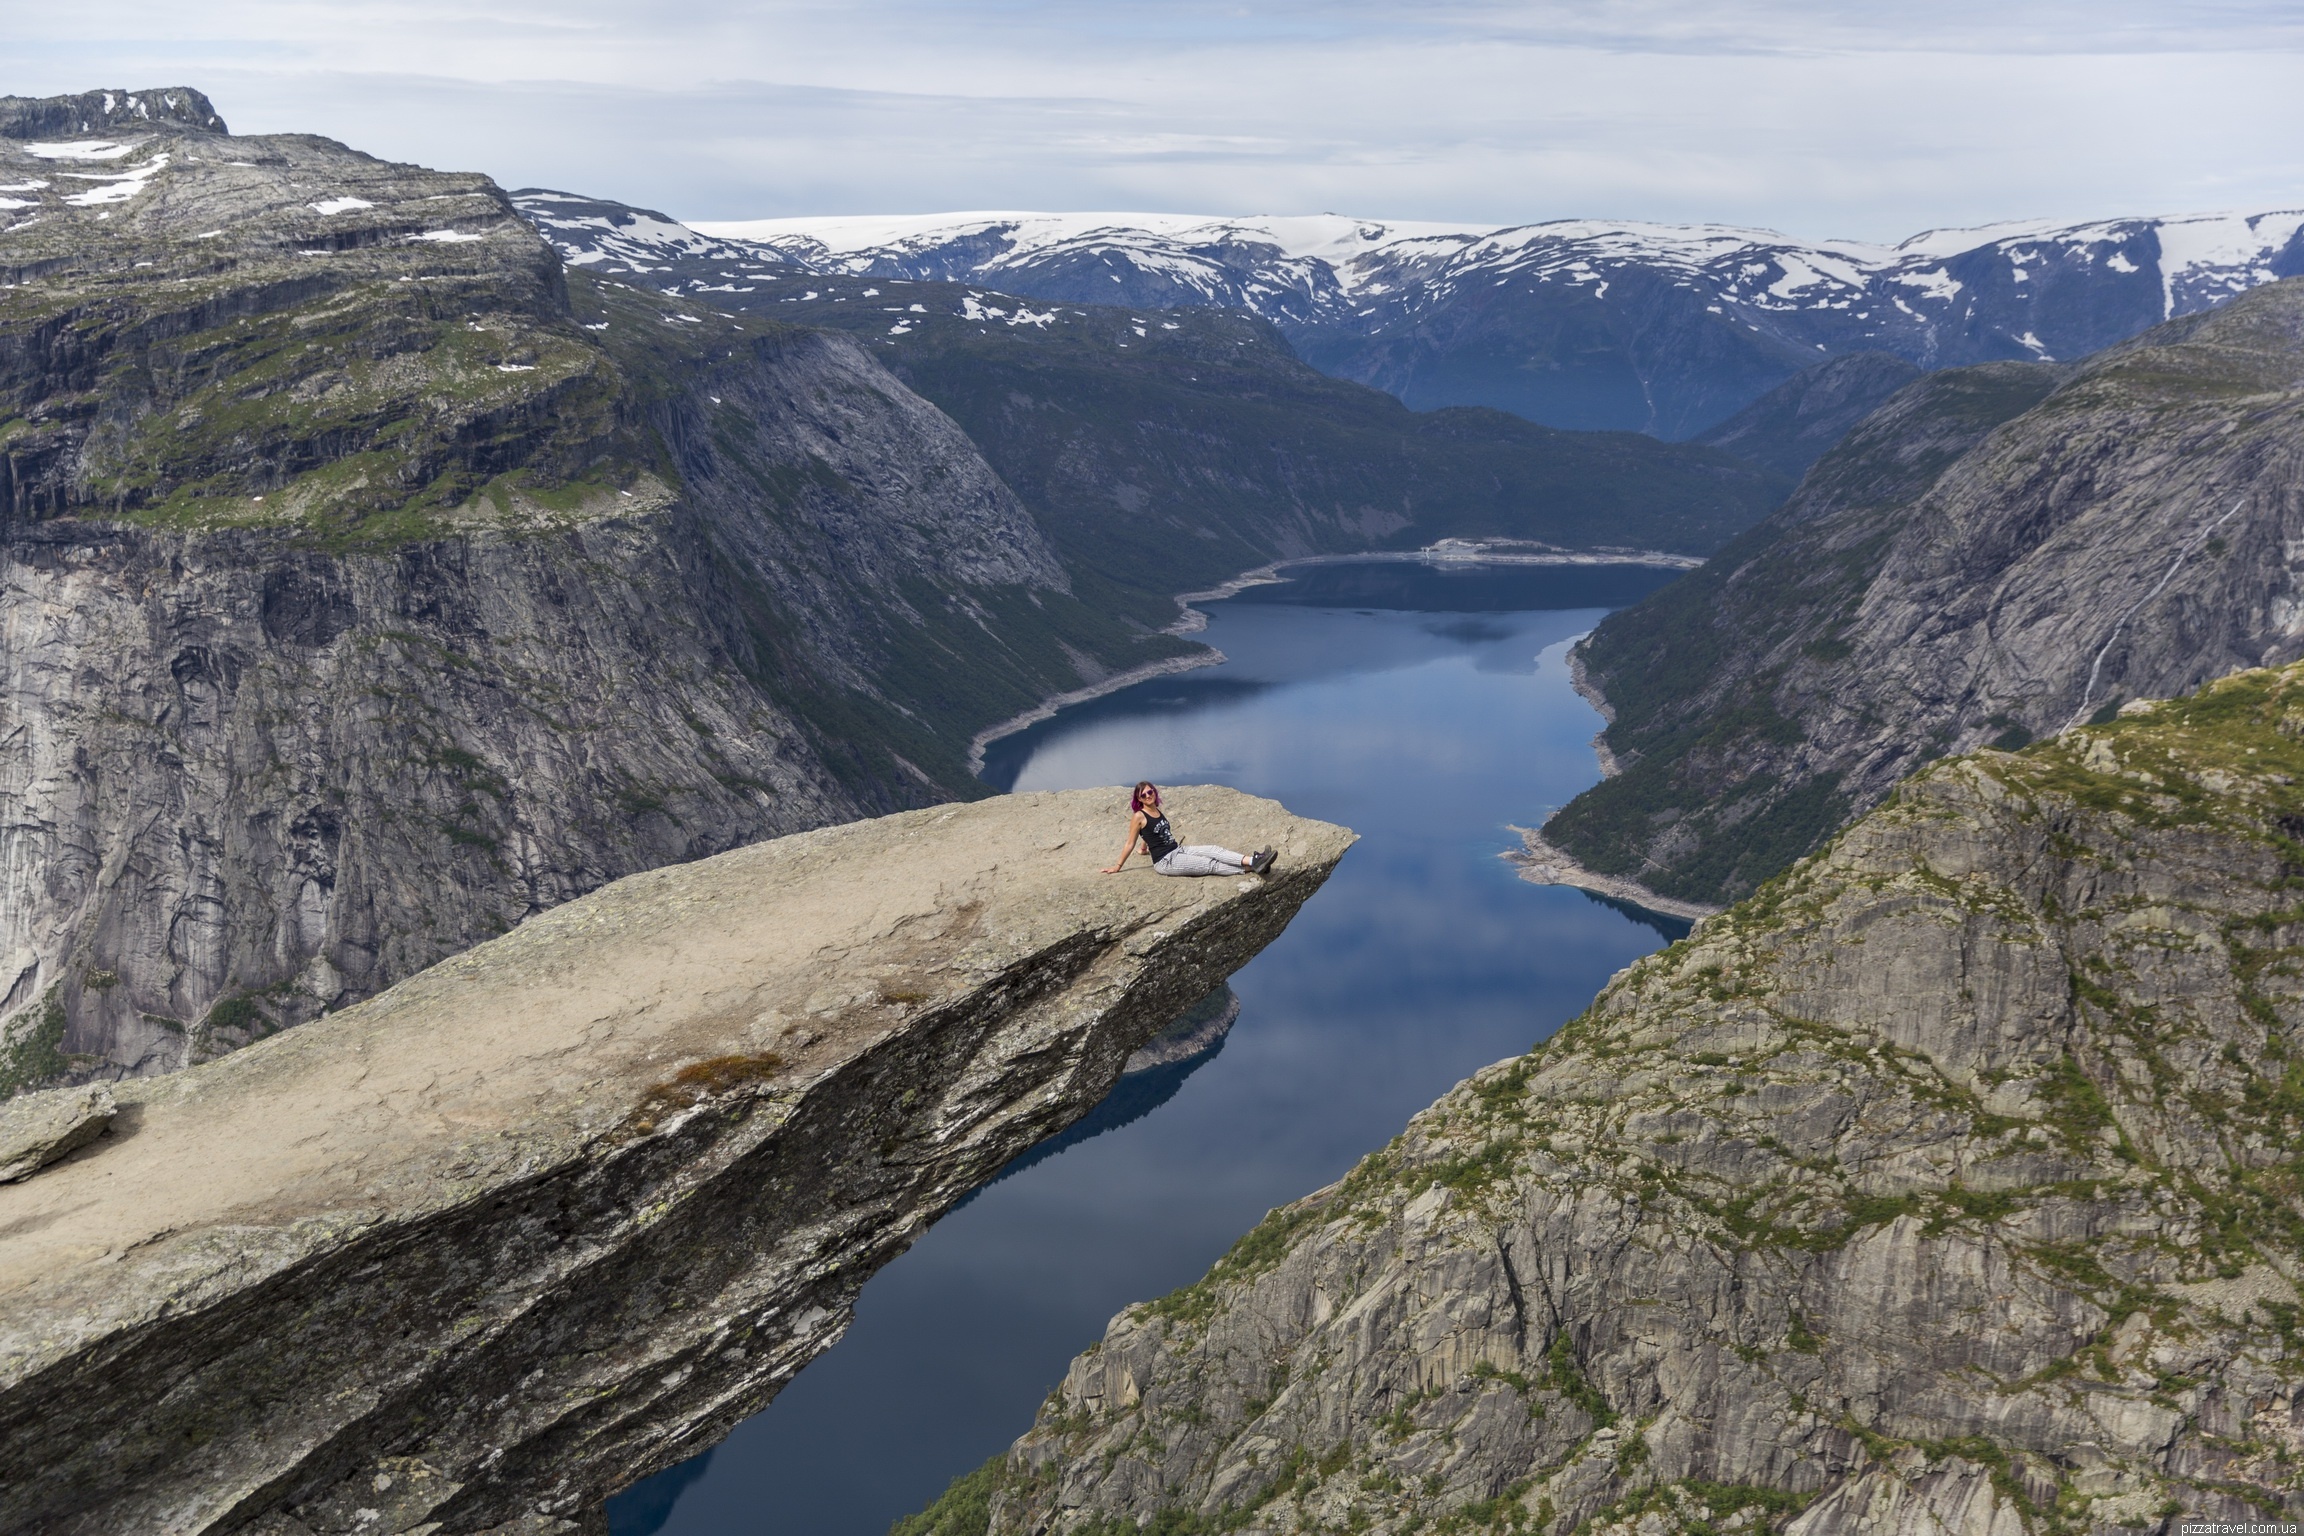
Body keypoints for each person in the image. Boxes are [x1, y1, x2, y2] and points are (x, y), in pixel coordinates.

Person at [1103, 782, 1276, 877]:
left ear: (1155, 792)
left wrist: (1144, 849)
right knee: (1210, 865)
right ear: (1138, 799)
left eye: (1150, 792)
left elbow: (1148, 833)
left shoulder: (1155, 810)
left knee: (1213, 850)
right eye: (1144, 795)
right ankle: (1254, 868)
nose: (1148, 796)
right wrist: (1117, 866)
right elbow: (1129, 842)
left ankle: (1255, 860)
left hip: (1178, 850)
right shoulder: (1138, 816)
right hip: (1166, 861)